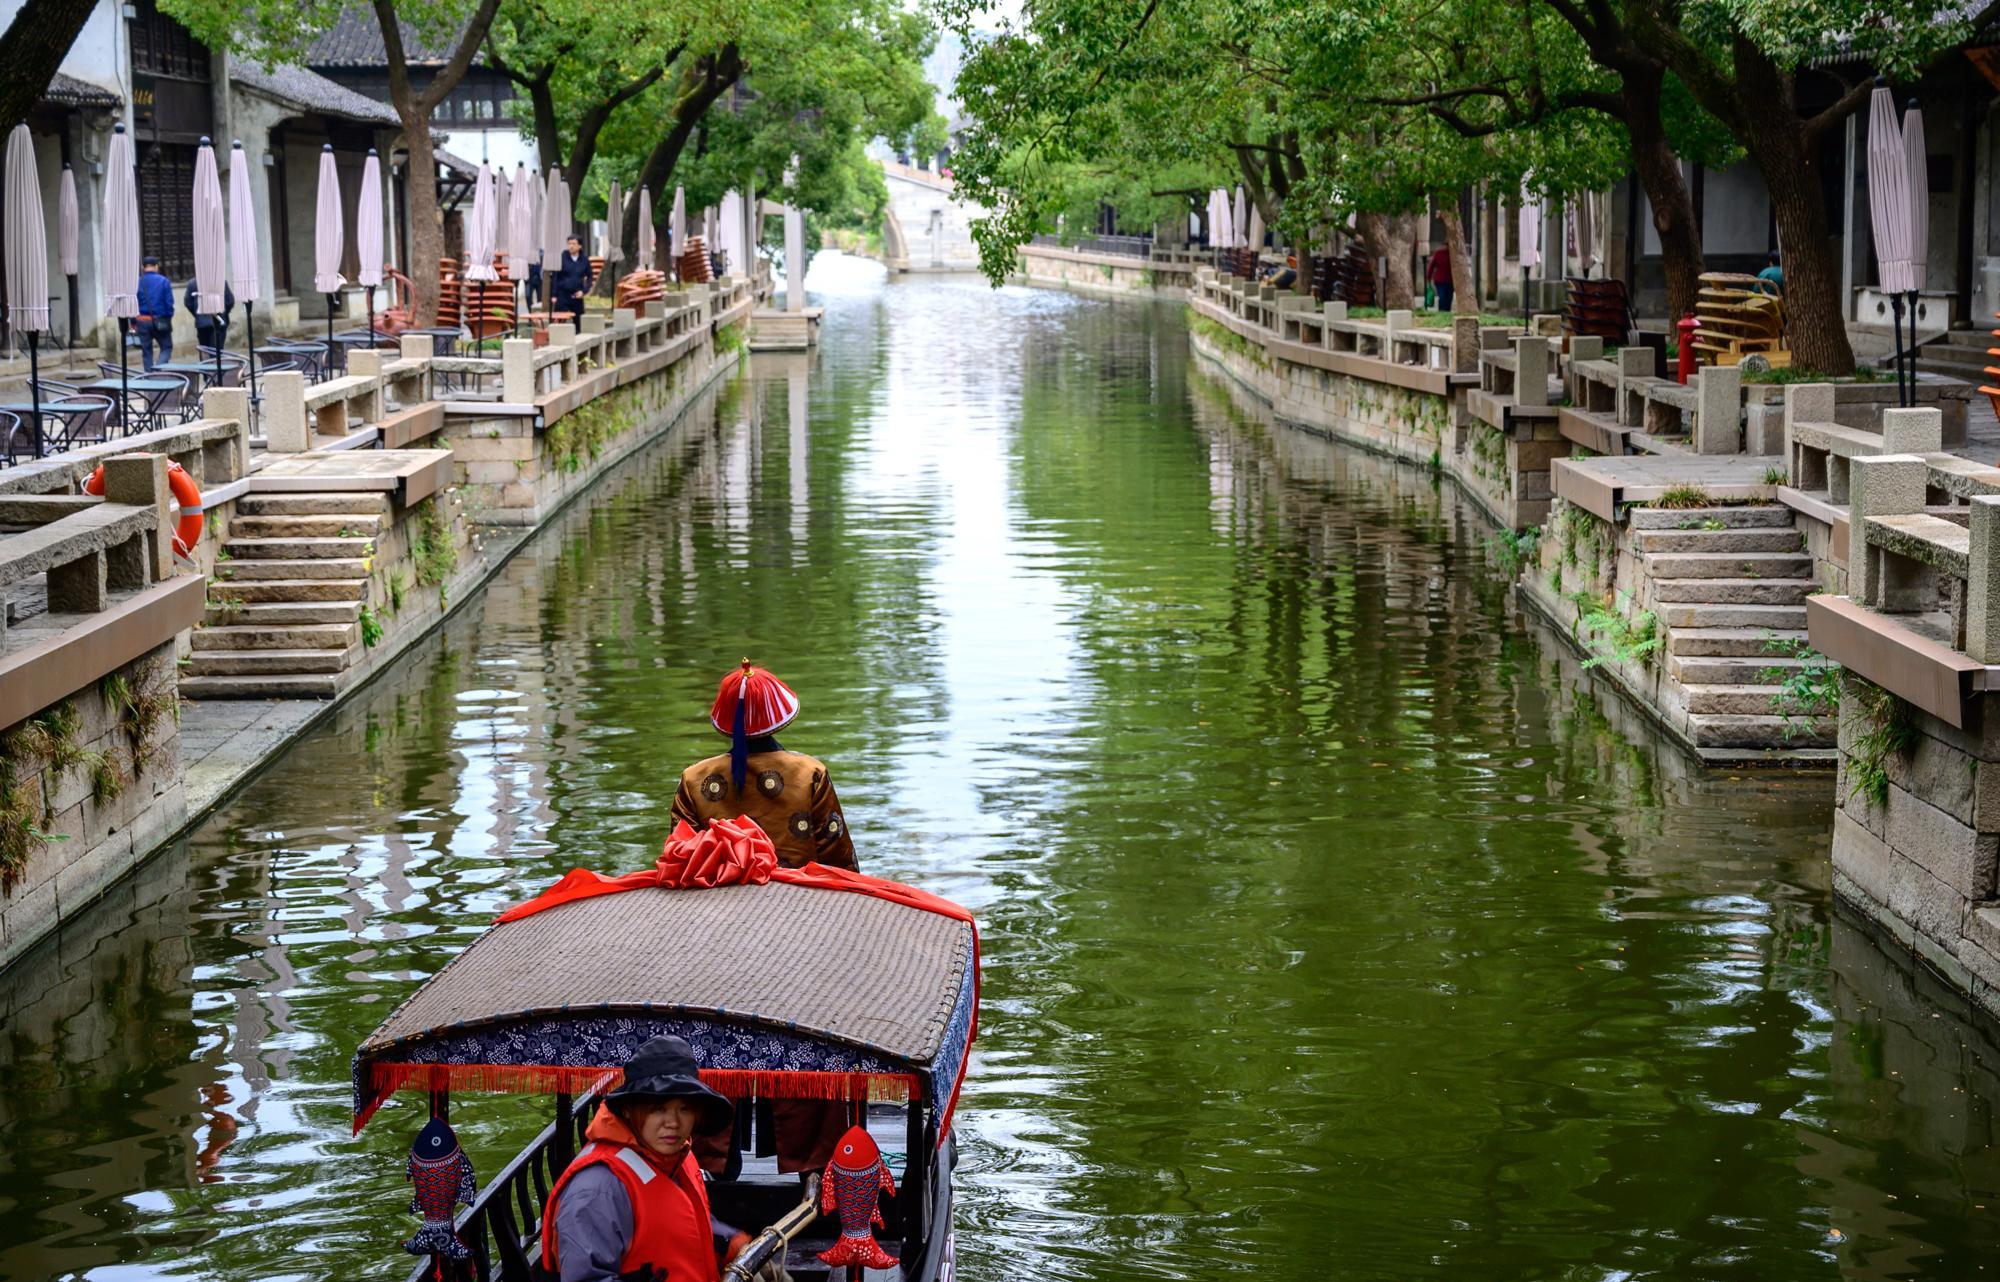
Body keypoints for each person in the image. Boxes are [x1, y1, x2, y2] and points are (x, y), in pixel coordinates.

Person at [672, 661, 857, 1177]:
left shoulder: (694, 781)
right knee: (806, 1036)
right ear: (780, 719)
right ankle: (811, 1167)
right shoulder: (810, 775)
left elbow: (678, 863)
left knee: (713, 1035)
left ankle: (711, 1162)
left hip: (714, 940)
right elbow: (839, 865)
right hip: (797, 936)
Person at [538, 1036, 780, 1282]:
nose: (673, 1123)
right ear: (628, 1110)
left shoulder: (677, 1154)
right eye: (658, 1109)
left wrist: (736, 1247)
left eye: (684, 1108)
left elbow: (685, 1220)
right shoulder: (597, 1190)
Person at [672, 661, 856, 872]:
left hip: (719, 894)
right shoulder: (811, 773)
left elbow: (680, 854)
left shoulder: (694, 778)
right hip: (798, 889)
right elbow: (837, 855)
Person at [136, 257, 174, 372]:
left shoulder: (137, 282)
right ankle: (158, 370)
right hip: (160, 320)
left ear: (143, 267)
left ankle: (148, 378)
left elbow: (134, 302)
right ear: (156, 266)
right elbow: (169, 303)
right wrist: (168, 318)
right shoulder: (164, 281)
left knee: (146, 351)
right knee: (166, 347)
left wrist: (133, 322)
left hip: (141, 320)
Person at [185, 278, 236, 351]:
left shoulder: (192, 283)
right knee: (217, 352)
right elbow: (230, 301)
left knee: (204, 351)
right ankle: (214, 362)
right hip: (218, 321)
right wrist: (222, 313)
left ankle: (207, 362)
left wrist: (198, 314)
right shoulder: (220, 281)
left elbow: (188, 303)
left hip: (202, 324)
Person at [552, 234, 594, 324]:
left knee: (578, 322)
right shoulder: (562, 257)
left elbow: (590, 276)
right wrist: (554, 295)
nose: (571, 246)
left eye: (574, 244)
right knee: (559, 321)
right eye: (569, 243)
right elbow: (555, 276)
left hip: (577, 294)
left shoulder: (584, 260)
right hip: (562, 294)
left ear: (579, 246)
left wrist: (584, 291)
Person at [1426, 244, 1454, 312]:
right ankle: (1441, 311)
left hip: (1451, 281)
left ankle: (1447, 311)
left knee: (1449, 297)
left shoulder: (1453, 255)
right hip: (1440, 280)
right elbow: (1432, 266)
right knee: (1442, 297)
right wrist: (1428, 277)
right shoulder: (1439, 253)